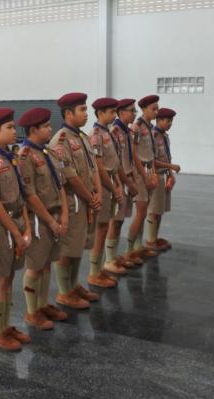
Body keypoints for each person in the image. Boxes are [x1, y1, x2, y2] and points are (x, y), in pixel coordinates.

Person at [0, 108, 32, 351]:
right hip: (2, 226)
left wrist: (26, 226)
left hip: (17, 221)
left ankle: (5, 325)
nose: (14, 131)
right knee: (1, 279)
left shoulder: (11, 157)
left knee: (10, 276)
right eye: (9, 127)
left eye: (14, 126)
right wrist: (15, 232)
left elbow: (21, 195)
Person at [48, 93, 102, 310]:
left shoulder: (83, 137)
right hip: (74, 201)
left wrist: (98, 192)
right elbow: (70, 176)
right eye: (82, 110)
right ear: (69, 113)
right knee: (68, 247)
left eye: (86, 109)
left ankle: (73, 284)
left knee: (80, 244)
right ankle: (64, 292)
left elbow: (93, 167)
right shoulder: (60, 141)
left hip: (88, 199)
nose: (86, 114)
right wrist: (90, 197)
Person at [17, 107, 69, 330]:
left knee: (46, 263)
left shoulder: (48, 153)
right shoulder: (25, 156)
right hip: (40, 220)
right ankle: (32, 312)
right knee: (35, 266)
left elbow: (61, 184)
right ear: (33, 130)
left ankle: (42, 304)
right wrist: (50, 221)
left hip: (55, 214)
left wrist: (64, 214)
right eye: (46, 126)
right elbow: (30, 195)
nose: (50, 129)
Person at [88, 97, 126, 286]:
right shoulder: (95, 135)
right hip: (102, 185)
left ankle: (101, 267)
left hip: (111, 181)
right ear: (100, 113)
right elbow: (99, 166)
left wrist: (118, 184)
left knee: (105, 226)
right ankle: (94, 272)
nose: (114, 115)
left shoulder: (108, 132)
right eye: (111, 112)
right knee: (101, 228)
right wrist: (112, 188)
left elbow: (114, 163)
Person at [106, 99, 141, 270]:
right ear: (121, 113)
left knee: (119, 221)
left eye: (135, 111)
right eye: (131, 111)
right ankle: (109, 260)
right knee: (114, 221)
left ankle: (114, 256)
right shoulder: (115, 131)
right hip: (119, 180)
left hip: (127, 177)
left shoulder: (127, 131)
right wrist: (126, 182)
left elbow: (128, 158)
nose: (134, 114)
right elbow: (116, 162)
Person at [125, 95, 160, 262]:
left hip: (147, 169)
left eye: (157, 108)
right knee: (140, 212)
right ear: (144, 109)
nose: (156, 111)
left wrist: (153, 173)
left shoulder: (150, 127)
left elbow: (151, 153)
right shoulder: (137, 127)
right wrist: (145, 176)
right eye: (153, 108)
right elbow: (133, 154)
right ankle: (129, 251)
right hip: (139, 173)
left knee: (144, 212)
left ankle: (138, 247)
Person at [145, 108, 181, 251]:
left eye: (171, 121)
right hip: (155, 175)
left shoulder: (164, 136)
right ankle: (150, 241)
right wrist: (170, 166)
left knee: (160, 210)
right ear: (159, 120)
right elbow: (152, 160)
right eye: (168, 121)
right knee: (153, 210)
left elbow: (167, 157)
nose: (170, 123)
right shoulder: (153, 136)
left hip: (164, 175)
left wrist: (171, 174)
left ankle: (154, 237)